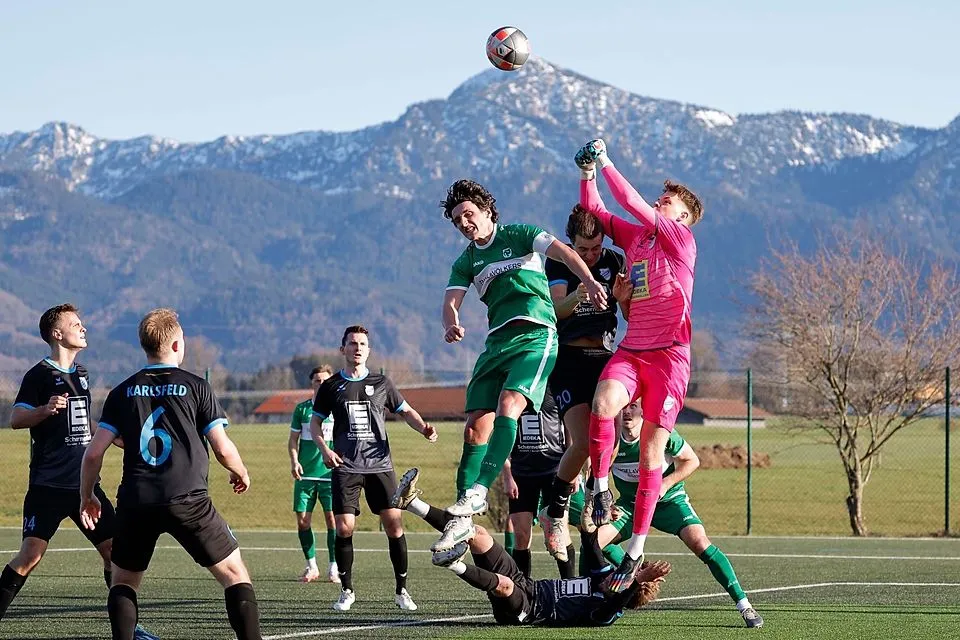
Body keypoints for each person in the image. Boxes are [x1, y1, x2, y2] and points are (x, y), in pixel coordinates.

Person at [437, 179, 608, 552]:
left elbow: (563, 253)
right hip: (496, 343)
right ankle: (461, 519)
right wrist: (451, 321)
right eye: (457, 220)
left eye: (468, 214)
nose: (464, 222)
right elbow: (451, 300)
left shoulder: (520, 234)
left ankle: (480, 492)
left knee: (509, 405)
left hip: (536, 336)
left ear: (486, 212)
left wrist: (590, 281)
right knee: (473, 431)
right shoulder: (466, 260)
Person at [79, 308, 261, 640]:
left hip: (136, 501)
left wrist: (87, 495)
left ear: (145, 347)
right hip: (188, 499)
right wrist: (240, 471)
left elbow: (94, 452)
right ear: (177, 345)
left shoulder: (122, 392)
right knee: (235, 576)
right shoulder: (196, 387)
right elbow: (222, 447)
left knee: (123, 582)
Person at [576, 138, 704, 591]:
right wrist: (588, 172)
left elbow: (628, 199)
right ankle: (599, 489)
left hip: (670, 358)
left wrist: (607, 157)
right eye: (659, 200)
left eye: (666, 203)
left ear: (683, 219)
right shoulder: (636, 237)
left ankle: (634, 552)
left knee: (652, 452)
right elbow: (595, 215)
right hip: (634, 349)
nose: (657, 203)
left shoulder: (679, 238)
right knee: (604, 402)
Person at [0, 304, 157, 640]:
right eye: (76, 324)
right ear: (57, 334)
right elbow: (16, 419)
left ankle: (128, 627)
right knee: (30, 556)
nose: (83, 328)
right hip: (48, 486)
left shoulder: (82, 373)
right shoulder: (38, 375)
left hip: (86, 487)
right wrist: (43, 410)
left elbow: (85, 424)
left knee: (115, 553)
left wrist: (115, 437)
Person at [392, 467, 670, 627]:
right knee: (478, 533)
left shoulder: (607, 612)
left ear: (626, 590)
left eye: (623, 577)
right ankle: (412, 504)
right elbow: (590, 543)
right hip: (529, 584)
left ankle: (452, 563)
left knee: (503, 585)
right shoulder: (602, 575)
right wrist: (592, 507)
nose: (616, 573)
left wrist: (637, 582)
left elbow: (620, 601)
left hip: (527, 611)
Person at [596, 401, 764, 628]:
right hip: (631, 506)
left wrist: (665, 484)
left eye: (633, 406)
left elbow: (692, 460)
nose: (627, 411)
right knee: (595, 541)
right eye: (623, 406)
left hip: (669, 503)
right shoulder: (611, 438)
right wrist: (607, 503)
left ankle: (744, 604)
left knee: (701, 544)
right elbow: (598, 473)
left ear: (643, 409)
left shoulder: (659, 431)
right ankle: (626, 573)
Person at [311, 325, 438, 612]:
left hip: (380, 465)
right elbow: (315, 423)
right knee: (344, 527)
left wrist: (424, 429)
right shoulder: (331, 387)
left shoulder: (383, 383)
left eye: (362, 344)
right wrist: (325, 449)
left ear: (368, 350)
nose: (357, 348)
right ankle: (346, 590)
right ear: (342, 349)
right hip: (346, 466)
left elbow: (405, 410)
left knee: (394, 525)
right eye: (352, 343)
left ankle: (401, 591)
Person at [539, 204, 626, 559]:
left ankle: (594, 496)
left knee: (612, 438)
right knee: (583, 443)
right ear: (571, 242)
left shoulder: (615, 261)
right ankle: (554, 511)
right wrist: (580, 294)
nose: (590, 255)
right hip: (570, 358)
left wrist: (623, 299)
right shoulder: (560, 262)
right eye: (583, 249)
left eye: (596, 248)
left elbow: (629, 314)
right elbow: (555, 309)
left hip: (605, 357)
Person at [501, 387, 576, 577]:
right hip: (521, 473)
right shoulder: (513, 391)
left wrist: (573, 470)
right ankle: (523, 589)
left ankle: (569, 586)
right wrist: (507, 475)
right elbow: (499, 437)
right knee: (521, 534)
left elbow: (571, 429)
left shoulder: (555, 389)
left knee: (557, 533)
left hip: (555, 471)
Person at [288, 364, 339, 583]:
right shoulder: (302, 409)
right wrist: (294, 461)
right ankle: (312, 567)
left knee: (333, 522)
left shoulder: (338, 409)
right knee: (303, 522)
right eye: (317, 380)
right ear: (312, 383)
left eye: (325, 380)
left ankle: (334, 567)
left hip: (330, 475)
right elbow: (293, 440)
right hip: (306, 475)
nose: (321, 384)